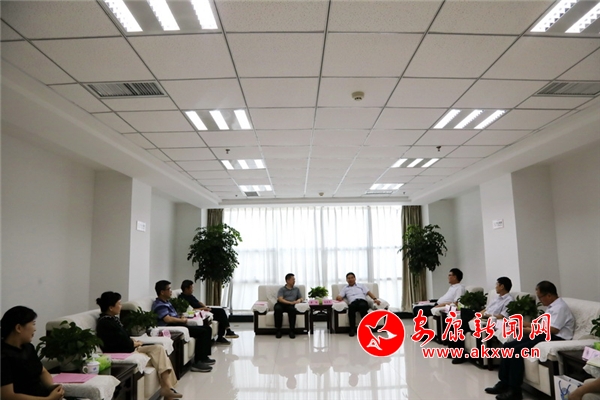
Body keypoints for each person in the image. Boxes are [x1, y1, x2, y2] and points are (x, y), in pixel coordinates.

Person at [485, 281, 575, 400]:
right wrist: (524, 325)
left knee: (516, 351)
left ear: (549, 295)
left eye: (540, 297)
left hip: (554, 338)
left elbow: (553, 329)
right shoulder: (552, 307)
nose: (540, 301)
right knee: (507, 346)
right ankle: (504, 383)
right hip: (543, 335)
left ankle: (515, 391)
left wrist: (528, 329)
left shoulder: (560, 308)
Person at [95, 292, 182, 398]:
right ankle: (168, 390)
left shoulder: (113, 320)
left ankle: (167, 389)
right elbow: (118, 344)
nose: (121, 306)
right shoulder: (105, 323)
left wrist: (132, 341)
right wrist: (134, 343)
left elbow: (123, 338)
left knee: (159, 349)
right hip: (125, 352)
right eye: (119, 304)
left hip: (130, 348)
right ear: (111, 307)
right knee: (161, 358)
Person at [1, 306, 65, 400]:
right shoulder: (3, 356)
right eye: (33, 324)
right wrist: (48, 399)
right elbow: (7, 396)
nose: (35, 329)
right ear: (18, 328)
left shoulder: (28, 347)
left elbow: (42, 371)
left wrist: (51, 387)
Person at [151, 280, 214, 373]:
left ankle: (204, 357)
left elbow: (173, 315)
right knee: (203, 332)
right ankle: (197, 362)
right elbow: (167, 319)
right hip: (171, 327)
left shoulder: (167, 302)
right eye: (169, 289)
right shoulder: (159, 304)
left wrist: (180, 317)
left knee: (207, 328)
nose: (171, 291)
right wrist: (181, 320)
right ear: (162, 292)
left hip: (177, 323)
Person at [450, 276, 514, 364]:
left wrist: (485, 316)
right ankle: (453, 351)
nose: (495, 286)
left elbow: (502, 316)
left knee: (460, 327)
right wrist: (477, 315)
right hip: (483, 316)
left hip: (489, 319)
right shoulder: (497, 297)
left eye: (497, 284)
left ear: (502, 286)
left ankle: (460, 356)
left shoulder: (509, 300)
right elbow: (486, 309)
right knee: (461, 317)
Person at [179, 279, 238, 345]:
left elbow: (198, 302)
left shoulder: (190, 296)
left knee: (221, 312)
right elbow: (191, 310)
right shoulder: (182, 298)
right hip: (200, 312)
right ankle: (226, 332)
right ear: (186, 289)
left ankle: (222, 335)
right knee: (220, 313)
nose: (193, 290)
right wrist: (203, 308)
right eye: (191, 288)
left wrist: (205, 307)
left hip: (204, 310)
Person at [335, 272, 381, 337]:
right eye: (348, 278)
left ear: (355, 278)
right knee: (351, 308)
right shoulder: (345, 288)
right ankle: (352, 329)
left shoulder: (361, 285)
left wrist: (375, 299)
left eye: (352, 278)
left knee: (362, 306)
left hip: (362, 301)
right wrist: (339, 297)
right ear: (346, 280)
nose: (350, 279)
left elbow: (369, 293)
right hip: (353, 302)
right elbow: (339, 296)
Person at [275, 273, 304, 339]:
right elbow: (280, 299)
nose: (294, 281)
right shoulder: (282, 289)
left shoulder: (296, 289)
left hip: (290, 305)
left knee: (292, 310)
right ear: (287, 281)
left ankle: (292, 331)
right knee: (278, 309)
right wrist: (290, 303)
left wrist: (299, 300)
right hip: (281, 304)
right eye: (293, 279)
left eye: (294, 279)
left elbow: (301, 298)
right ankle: (278, 330)